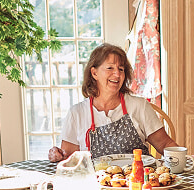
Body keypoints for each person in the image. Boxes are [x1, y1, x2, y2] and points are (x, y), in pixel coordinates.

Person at [48, 43, 178, 162]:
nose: (117, 74)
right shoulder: (77, 113)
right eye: (110, 68)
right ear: (94, 73)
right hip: (97, 184)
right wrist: (57, 155)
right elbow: (69, 160)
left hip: (139, 180)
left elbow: (165, 144)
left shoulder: (139, 106)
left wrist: (184, 158)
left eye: (121, 69)